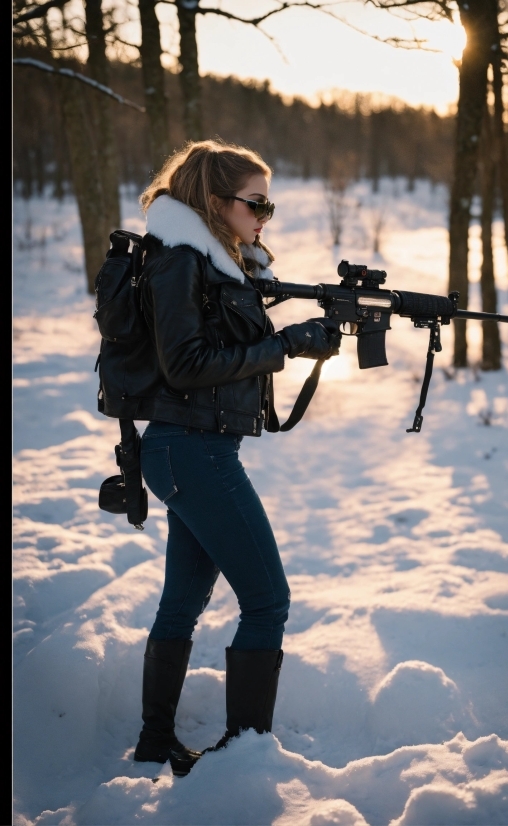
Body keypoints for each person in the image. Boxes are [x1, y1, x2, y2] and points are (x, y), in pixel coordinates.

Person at [130, 139, 341, 777]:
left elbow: (222, 337)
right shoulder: (179, 261)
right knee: (267, 601)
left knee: (181, 603)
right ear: (216, 202)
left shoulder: (216, 263)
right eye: (257, 203)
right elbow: (187, 364)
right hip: (190, 451)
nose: (265, 216)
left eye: (268, 205)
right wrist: (286, 345)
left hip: (191, 449)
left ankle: (155, 740)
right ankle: (246, 758)